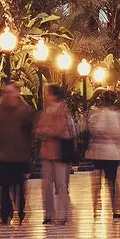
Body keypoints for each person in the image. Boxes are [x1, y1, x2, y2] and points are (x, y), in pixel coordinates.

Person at [0, 82, 36, 225]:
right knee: (3, 188)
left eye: (12, 93)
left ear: (17, 94)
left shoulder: (24, 111)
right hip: (1, 157)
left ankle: (20, 210)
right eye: (7, 93)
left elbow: (30, 132)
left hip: (19, 156)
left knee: (19, 188)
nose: (9, 96)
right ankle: (5, 213)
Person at [85, 89, 120, 219]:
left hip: (99, 151)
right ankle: (115, 209)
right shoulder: (118, 115)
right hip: (112, 153)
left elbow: (90, 128)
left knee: (97, 182)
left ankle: (96, 207)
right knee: (112, 181)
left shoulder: (96, 114)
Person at [36, 84, 76, 224]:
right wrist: (47, 130)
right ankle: (48, 214)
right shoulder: (45, 112)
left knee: (60, 184)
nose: (45, 96)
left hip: (59, 152)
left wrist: (46, 130)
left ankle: (62, 215)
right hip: (47, 152)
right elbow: (38, 130)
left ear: (54, 95)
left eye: (47, 93)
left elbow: (57, 130)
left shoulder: (62, 111)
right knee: (46, 184)